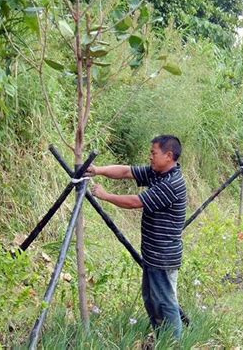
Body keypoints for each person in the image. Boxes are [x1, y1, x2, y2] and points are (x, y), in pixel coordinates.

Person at [88, 135, 187, 340]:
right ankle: (163, 339)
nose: (150, 157)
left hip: (163, 256)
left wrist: (106, 196)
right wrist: (97, 170)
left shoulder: (172, 183)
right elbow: (126, 171)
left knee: (165, 303)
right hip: (152, 254)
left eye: (153, 153)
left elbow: (135, 202)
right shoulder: (157, 173)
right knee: (151, 300)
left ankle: (175, 344)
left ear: (168, 156)